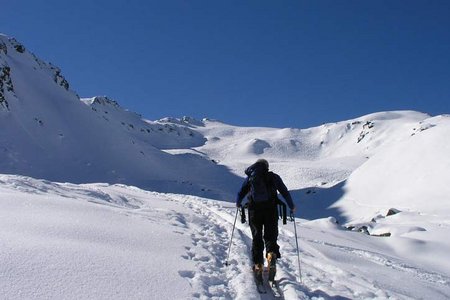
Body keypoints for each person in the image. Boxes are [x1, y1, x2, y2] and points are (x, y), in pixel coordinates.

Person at [236, 158, 296, 282]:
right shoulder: (273, 177)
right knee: (270, 236)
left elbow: (241, 192)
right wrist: (291, 206)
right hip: (270, 210)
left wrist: (238, 203)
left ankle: (258, 265)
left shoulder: (251, 177)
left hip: (254, 210)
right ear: (266, 167)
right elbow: (284, 192)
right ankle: (271, 255)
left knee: (257, 237)